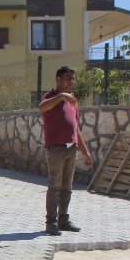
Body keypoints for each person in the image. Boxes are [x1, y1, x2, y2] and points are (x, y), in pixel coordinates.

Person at [39, 66, 93, 236]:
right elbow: (42, 107)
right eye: (68, 78)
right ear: (58, 79)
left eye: (73, 78)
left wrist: (84, 151)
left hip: (72, 148)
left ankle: (64, 220)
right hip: (56, 149)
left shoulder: (73, 101)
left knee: (67, 187)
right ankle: (51, 223)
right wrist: (62, 96)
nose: (71, 81)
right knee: (54, 186)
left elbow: (76, 129)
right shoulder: (51, 97)